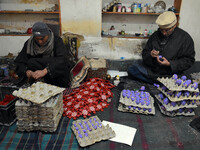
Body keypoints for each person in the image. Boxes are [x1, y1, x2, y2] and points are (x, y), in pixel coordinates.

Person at [128, 11, 195, 83]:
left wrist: (170, 64)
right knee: (132, 69)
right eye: (161, 29)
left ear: (174, 25)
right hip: (154, 71)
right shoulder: (155, 35)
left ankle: (161, 82)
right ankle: (159, 82)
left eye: (167, 30)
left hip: (171, 73)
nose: (163, 33)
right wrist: (151, 54)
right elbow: (145, 53)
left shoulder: (185, 38)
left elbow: (189, 60)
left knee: (182, 79)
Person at [14, 22, 74, 87]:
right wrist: (29, 72)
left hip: (54, 75)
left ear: (47, 34)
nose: (40, 41)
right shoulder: (29, 43)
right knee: (31, 62)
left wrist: (45, 71)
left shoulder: (57, 41)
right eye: (37, 39)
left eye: (42, 38)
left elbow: (62, 59)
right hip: (36, 77)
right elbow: (19, 62)